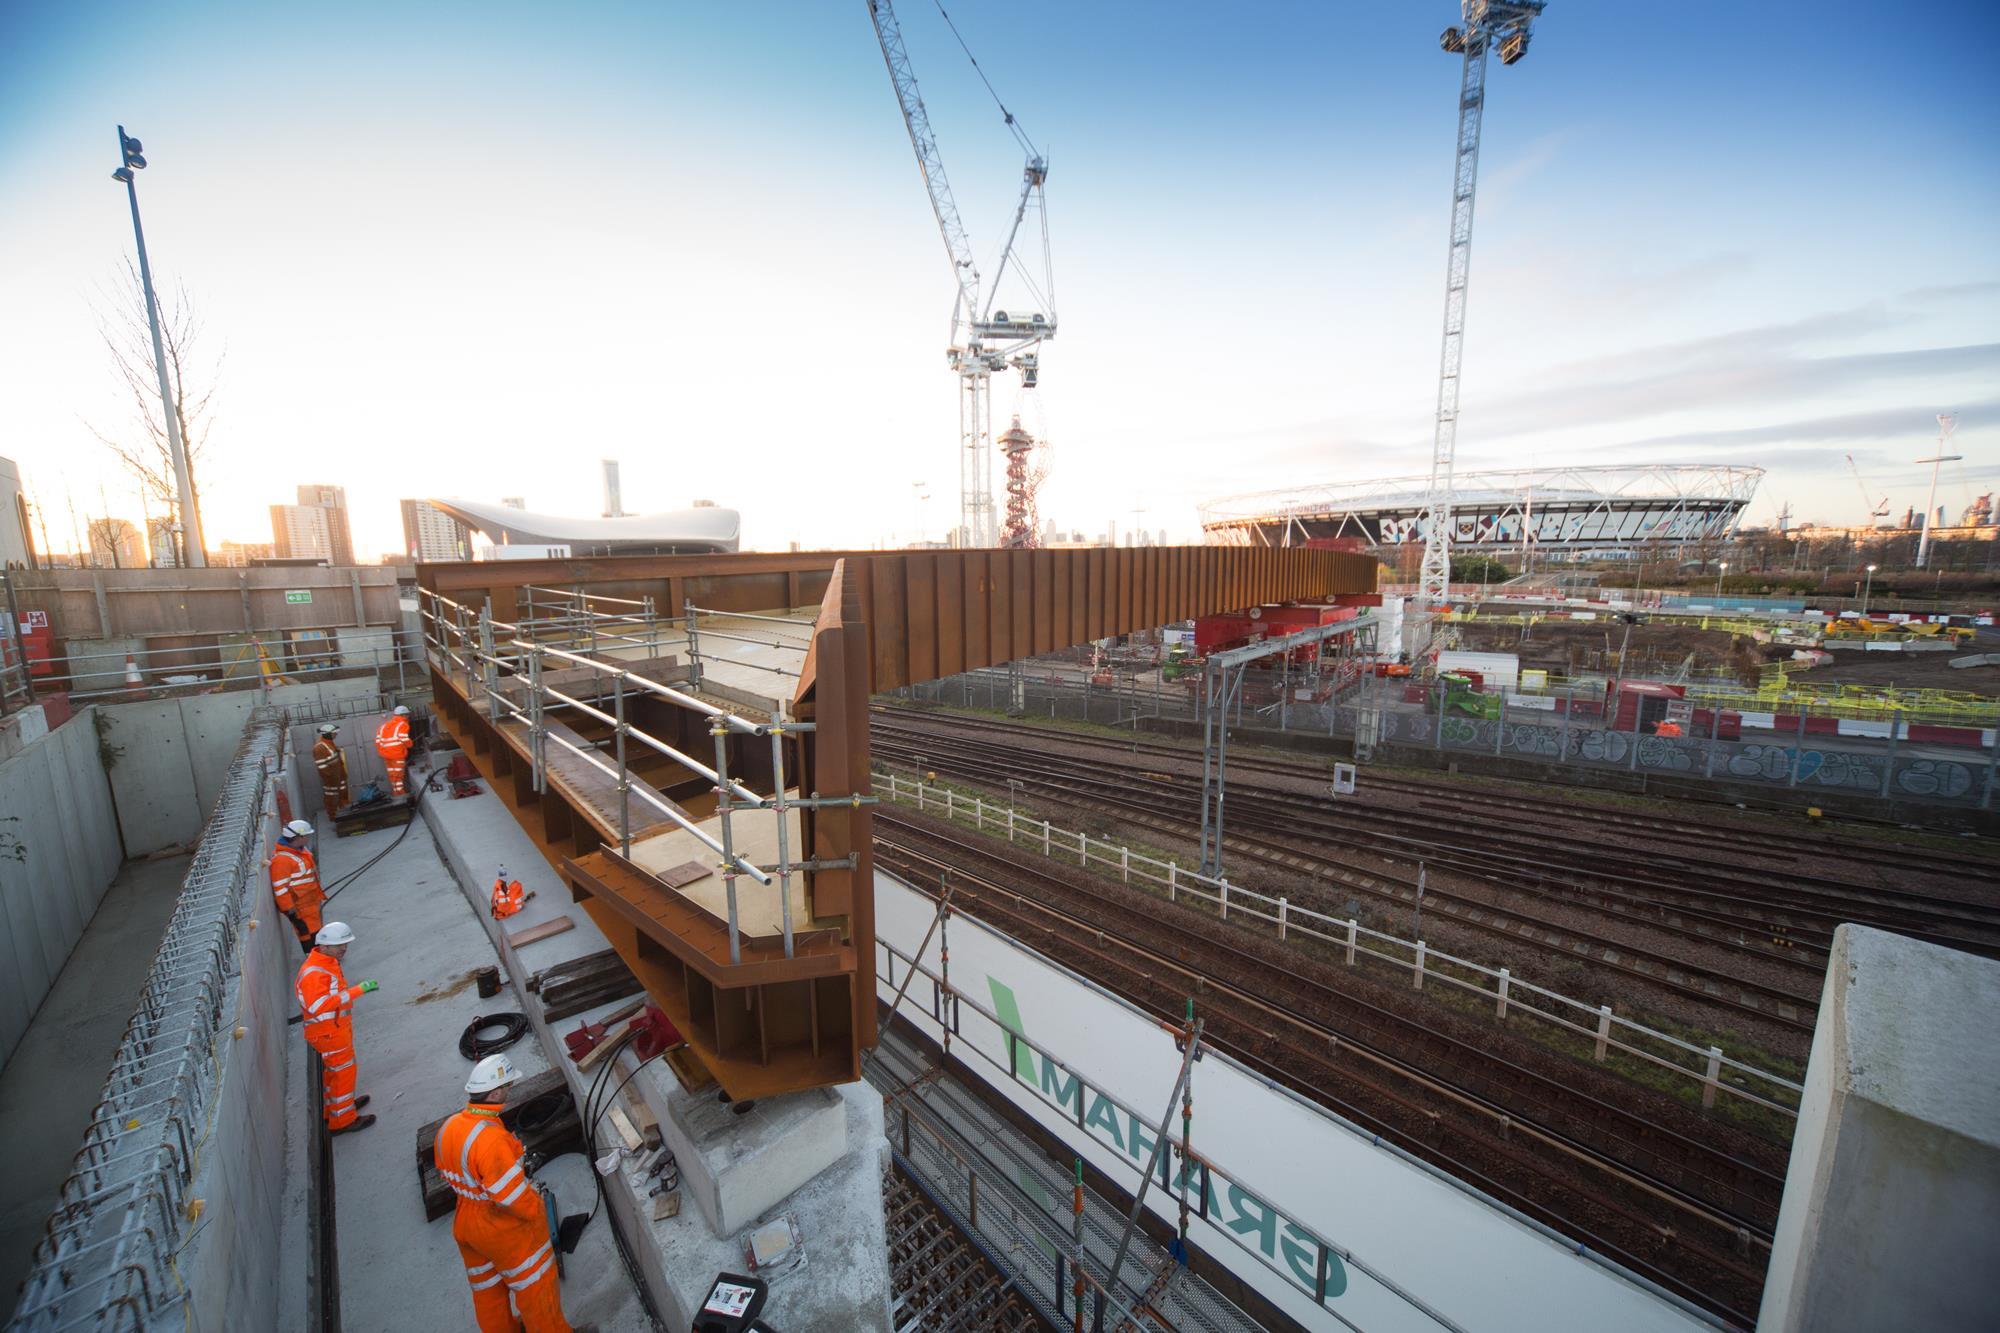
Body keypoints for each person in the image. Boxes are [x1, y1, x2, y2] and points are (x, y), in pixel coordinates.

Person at [438, 1055, 593, 1333]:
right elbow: (511, 1198)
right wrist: (536, 1214)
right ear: (494, 1093)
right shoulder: (491, 1140)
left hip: (466, 1222)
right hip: (500, 1227)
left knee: (488, 1292)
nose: (509, 1091)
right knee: (537, 1289)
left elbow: (451, 1171)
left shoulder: (450, 1126)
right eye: (506, 1086)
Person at [296, 921, 379, 1134]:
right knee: (343, 1073)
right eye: (339, 945)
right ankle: (343, 1120)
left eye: (345, 944)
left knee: (334, 1073)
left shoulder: (325, 962)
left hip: (332, 1030)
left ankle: (336, 1109)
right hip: (329, 1033)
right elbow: (317, 1006)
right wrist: (357, 991)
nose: (344, 949)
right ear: (324, 946)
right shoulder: (315, 973)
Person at [269, 819, 325, 955]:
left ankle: (320, 955)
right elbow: (280, 889)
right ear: (298, 837)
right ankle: (313, 957)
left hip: (309, 903)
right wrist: (290, 911)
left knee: (315, 932)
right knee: (307, 934)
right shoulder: (282, 861)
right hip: (299, 907)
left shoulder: (300, 851)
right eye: (307, 836)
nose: (308, 838)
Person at [375, 704, 413, 797]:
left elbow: (378, 741)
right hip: (397, 754)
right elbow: (403, 738)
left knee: (392, 775)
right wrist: (410, 744)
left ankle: (396, 792)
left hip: (386, 755)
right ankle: (400, 794)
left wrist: (382, 751)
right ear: (403, 715)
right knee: (398, 775)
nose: (408, 717)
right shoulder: (402, 724)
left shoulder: (384, 726)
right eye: (407, 714)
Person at [313, 723, 350, 818]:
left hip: (339, 778)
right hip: (332, 781)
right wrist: (332, 781)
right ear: (328, 734)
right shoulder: (319, 748)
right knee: (332, 798)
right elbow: (322, 768)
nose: (336, 734)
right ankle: (334, 816)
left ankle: (345, 813)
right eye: (334, 733)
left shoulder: (329, 744)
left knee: (342, 795)